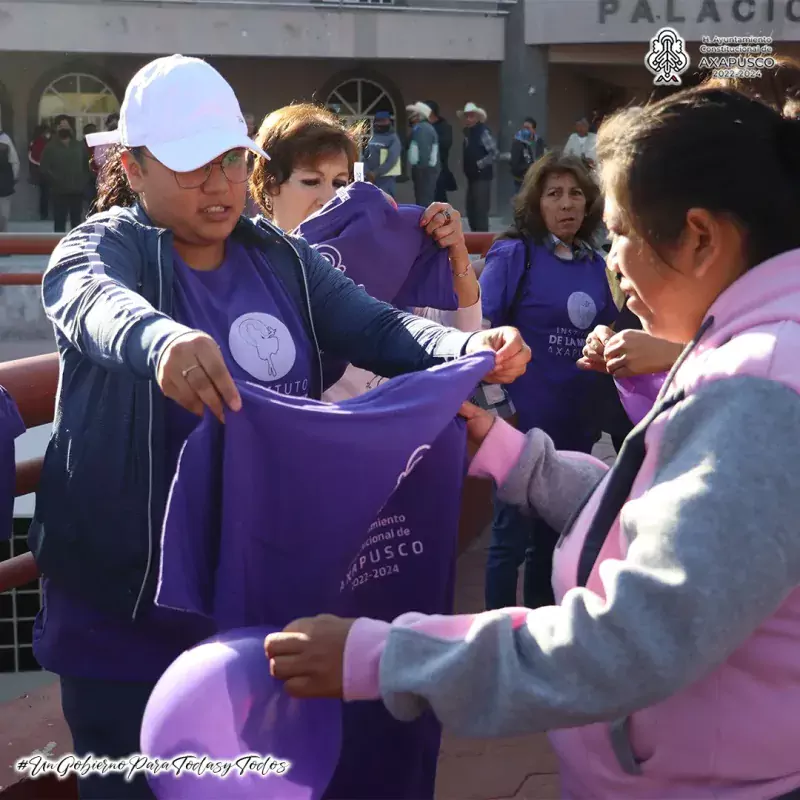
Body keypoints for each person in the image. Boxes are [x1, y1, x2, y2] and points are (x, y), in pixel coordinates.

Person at [267, 84, 800, 799]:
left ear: (700, 237)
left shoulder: (760, 383)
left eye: (622, 235)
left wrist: (385, 655)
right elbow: (655, 517)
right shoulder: (748, 350)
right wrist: (509, 451)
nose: (613, 264)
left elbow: (628, 640)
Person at [30, 55, 529, 800]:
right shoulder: (105, 246)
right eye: (195, 165)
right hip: (123, 618)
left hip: (255, 599)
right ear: (132, 168)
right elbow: (89, 300)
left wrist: (467, 347)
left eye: (234, 161)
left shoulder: (280, 258)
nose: (222, 183)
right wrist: (160, 341)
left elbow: (376, 326)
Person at [248, 102, 483, 400]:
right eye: (311, 182)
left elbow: (458, 337)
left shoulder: (385, 251)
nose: (329, 198)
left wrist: (456, 254)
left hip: (392, 436)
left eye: (340, 183)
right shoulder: (248, 268)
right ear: (269, 186)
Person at [478, 151, 617, 610]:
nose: (566, 204)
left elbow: (614, 329)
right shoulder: (515, 253)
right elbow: (481, 332)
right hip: (522, 423)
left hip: (576, 424)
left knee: (554, 539)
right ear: (537, 203)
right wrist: (501, 414)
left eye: (576, 193)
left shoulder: (596, 264)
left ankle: (540, 633)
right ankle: (495, 637)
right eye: (554, 193)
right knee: (508, 542)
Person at [40, 115, 91, 232]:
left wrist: (82, 182)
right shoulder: (50, 147)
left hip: (77, 191)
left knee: (77, 222)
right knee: (59, 222)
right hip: (58, 192)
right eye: (61, 126)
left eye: (66, 125)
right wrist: (55, 181)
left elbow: (86, 166)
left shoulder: (79, 146)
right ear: (57, 128)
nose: (64, 128)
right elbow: (44, 168)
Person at [458, 102, 497, 232]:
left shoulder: (483, 132)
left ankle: (483, 242)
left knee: (480, 211)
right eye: (467, 116)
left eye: (471, 116)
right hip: (472, 177)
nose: (469, 119)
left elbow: (494, 153)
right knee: (471, 210)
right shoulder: (468, 134)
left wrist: (480, 164)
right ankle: (476, 237)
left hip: (482, 177)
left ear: (477, 118)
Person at [405, 101, 439, 208]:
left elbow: (424, 153)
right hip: (426, 171)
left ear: (418, 115)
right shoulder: (424, 128)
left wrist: (420, 170)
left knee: (424, 201)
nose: (409, 116)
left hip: (424, 172)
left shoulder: (422, 129)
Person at [363, 110, 402, 198]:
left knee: (385, 203)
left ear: (389, 122)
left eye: (384, 121)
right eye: (378, 121)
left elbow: (392, 160)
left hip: (385, 180)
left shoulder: (393, 139)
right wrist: (366, 172)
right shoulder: (374, 137)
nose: (381, 123)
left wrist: (375, 173)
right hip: (370, 179)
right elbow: (365, 156)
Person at [426, 100, 456, 204]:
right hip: (426, 169)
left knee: (439, 198)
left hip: (439, 167)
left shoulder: (444, 127)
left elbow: (445, 144)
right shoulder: (423, 127)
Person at [510, 117, 545, 193]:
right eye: (524, 128)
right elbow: (514, 164)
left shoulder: (539, 141)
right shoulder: (517, 142)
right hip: (521, 181)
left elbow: (542, 157)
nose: (525, 130)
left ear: (533, 130)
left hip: (536, 180)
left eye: (528, 128)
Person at [28, 124, 51, 221]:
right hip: (46, 171)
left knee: (44, 194)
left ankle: (44, 213)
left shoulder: (34, 142)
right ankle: (45, 214)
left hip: (40, 171)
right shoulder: (41, 142)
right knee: (46, 194)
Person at [0, 123, 19, 235]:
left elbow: (14, 161)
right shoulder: (6, 140)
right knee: (3, 215)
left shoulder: (5, 140)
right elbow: (14, 162)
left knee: (3, 215)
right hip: (5, 184)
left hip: (4, 184)